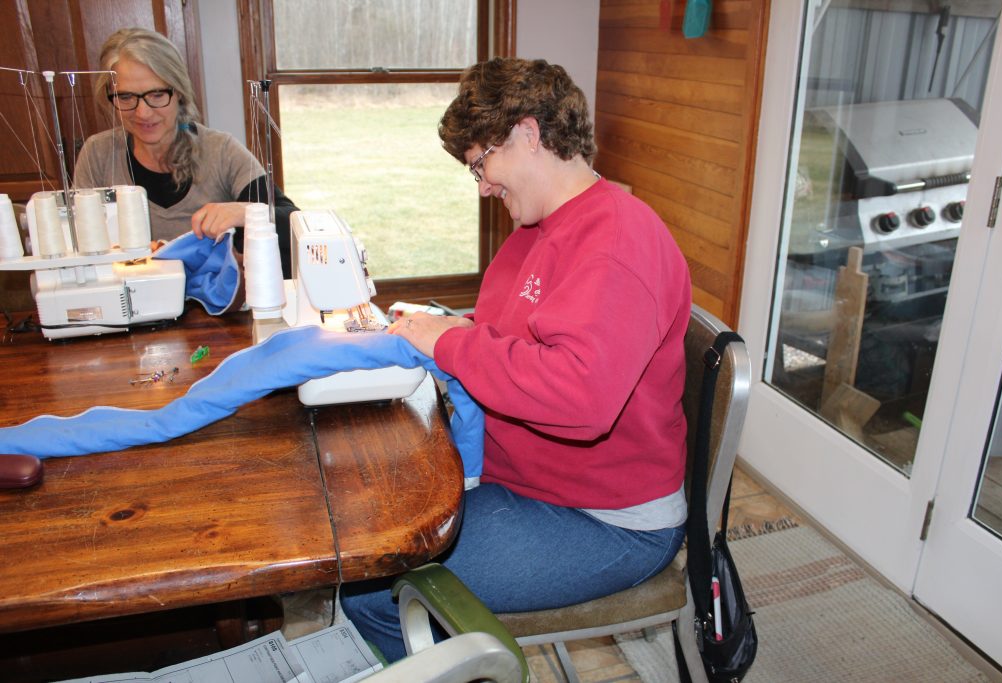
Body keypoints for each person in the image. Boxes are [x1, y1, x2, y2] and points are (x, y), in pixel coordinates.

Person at [341, 57, 693, 662]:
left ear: (528, 134)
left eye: (482, 163)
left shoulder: (616, 239)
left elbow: (580, 397)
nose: (481, 186)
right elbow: (517, 335)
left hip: (605, 519)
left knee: (371, 591)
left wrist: (449, 341)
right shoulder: (538, 230)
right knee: (363, 519)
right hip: (528, 480)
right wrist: (447, 329)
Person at [74, 28, 296, 277]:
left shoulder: (221, 152)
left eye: (157, 94)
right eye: (126, 97)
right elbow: (80, 249)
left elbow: (295, 222)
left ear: (178, 91)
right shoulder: (97, 155)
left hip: (215, 312)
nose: (142, 113)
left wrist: (245, 212)